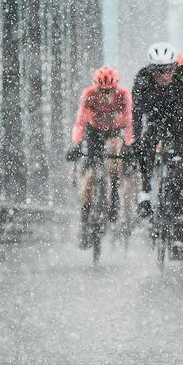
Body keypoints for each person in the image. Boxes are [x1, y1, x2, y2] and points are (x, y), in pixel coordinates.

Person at [67, 66, 134, 248]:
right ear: (95, 87)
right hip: (94, 131)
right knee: (88, 177)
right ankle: (84, 219)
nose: (105, 95)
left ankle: (113, 197)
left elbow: (128, 122)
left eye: (109, 91)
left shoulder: (123, 95)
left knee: (114, 152)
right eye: (101, 91)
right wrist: (76, 144)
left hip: (114, 130)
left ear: (116, 88)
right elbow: (80, 122)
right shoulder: (88, 94)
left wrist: (128, 145)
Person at [131, 43, 183, 220]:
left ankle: (182, 198)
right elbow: (136, 112)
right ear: (151, 70)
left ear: (175, 67)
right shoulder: (143, 78)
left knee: (181, 158)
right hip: (155, 119)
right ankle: (145, 192)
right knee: (146, 145)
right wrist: (135, 139)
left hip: (178, 121)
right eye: (158, 71)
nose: (164, 75)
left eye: (168, 70)